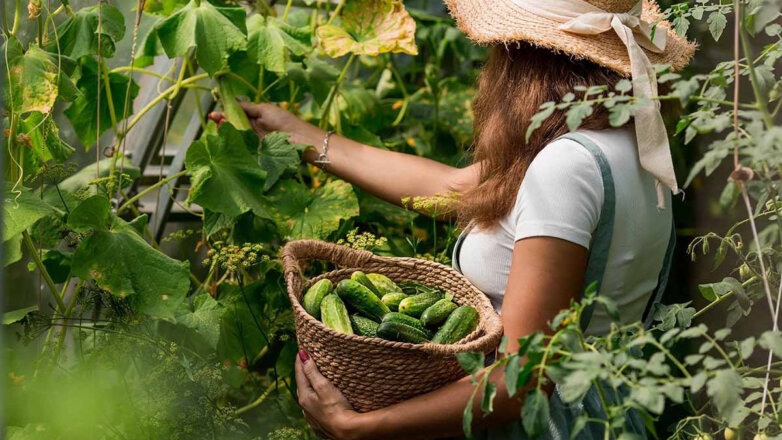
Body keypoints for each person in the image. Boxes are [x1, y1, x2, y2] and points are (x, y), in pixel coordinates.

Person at [210, 0, 694, 438]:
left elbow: (521, 380)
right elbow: (451, 188)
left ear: (524, 58)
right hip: (609, 413)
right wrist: (300, 134)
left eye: (496, 50)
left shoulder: (564, 168)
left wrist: (361, 427)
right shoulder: (627, 145)